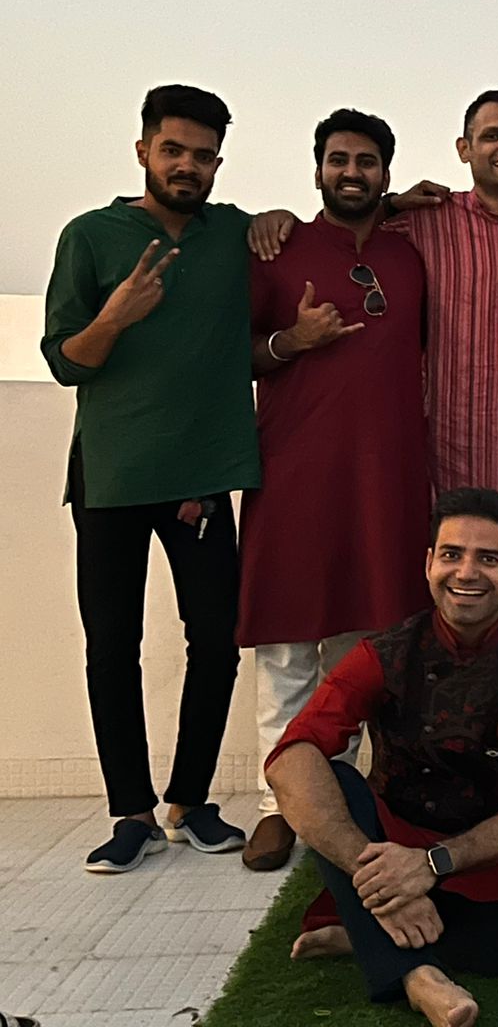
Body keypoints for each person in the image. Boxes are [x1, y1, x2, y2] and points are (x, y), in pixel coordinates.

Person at [264, 487, 498, 1027]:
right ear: (429, 563)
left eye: (488, 559)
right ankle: (419, 976)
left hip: (487, 863)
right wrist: (380, 876)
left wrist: (431, 864)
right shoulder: (384, 653)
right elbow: (289, 757)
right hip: (385, 847)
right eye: (452, 555)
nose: (467, 573)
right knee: (329, 778)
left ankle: (365, 930)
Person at [41, 84, 260, 872]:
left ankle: (189, 802)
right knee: (112, 647)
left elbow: (320, 228)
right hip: (110, 476)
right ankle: (130, 812)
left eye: (203, 155)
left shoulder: (232, 234)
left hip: (201, 478)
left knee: (218, 642)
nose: (187, 166)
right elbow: (65, 362)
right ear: (143, 151)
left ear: (218, 163)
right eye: (173, 150)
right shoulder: (90, 236)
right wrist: (116, 316)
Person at [251, 88, 498, 522]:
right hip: (458, 457)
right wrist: (280, 220)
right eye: (492, 136)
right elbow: (350, 222)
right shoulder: (427, 222)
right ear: (464, 149)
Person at [236, 109, 431, 871]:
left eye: (367, 161)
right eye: (339, 160)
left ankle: (336, 796)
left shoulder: (409, 255)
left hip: (385, 478)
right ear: (318, 168)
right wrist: (292, 342)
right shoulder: (277, 249)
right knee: (287, 644)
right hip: (295, 471)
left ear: (386, 172)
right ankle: (275, 804)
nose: (352, 173)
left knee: (363, 643)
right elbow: (237, 355)